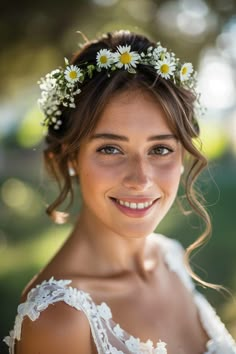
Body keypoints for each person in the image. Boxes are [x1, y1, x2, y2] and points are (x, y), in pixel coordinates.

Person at [3, 30, 236, 354]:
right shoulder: (59, 321)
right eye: (111, 149)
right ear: (71, 156)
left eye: (160, 149)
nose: (140, 178)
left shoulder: (169, 256)